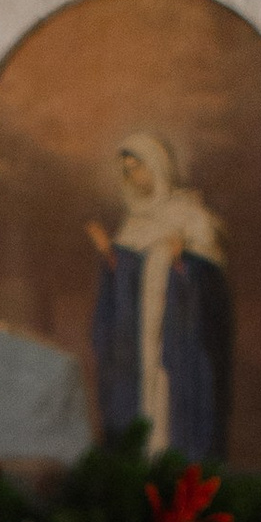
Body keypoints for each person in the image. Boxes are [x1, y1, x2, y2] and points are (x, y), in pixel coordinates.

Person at [88, 130, 230, 460]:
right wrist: (112, 258)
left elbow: (210, 289)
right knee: (140, 396)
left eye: (138, 167)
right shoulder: (133, 225)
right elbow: (125, 283)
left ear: (158, 166)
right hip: (141, 336)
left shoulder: (192, 218)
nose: (134, 176)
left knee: (172, 400)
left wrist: (185, 264)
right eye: (127, 171)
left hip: (178, 338)